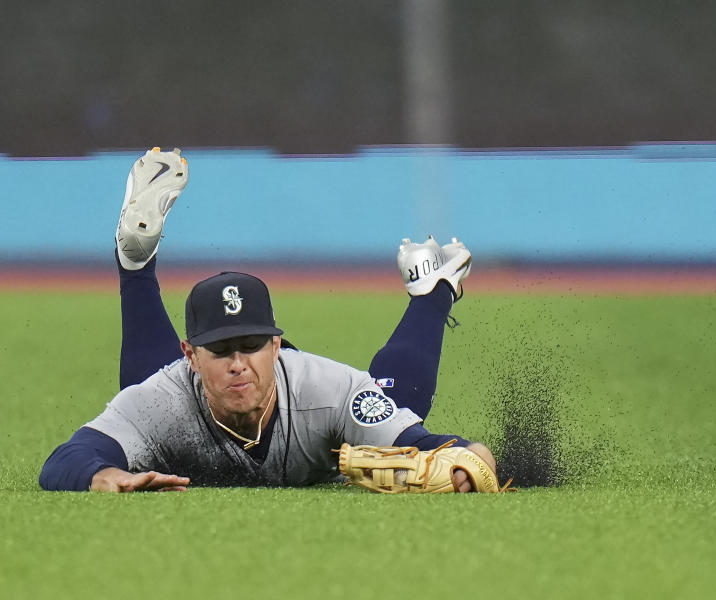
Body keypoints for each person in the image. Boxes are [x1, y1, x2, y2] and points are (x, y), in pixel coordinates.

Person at [39, 147, 495, 492]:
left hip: (325, 402)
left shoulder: (329, 392)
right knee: (145, 390)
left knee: (399, 400)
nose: (238, 362)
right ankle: (134, 269)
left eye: (252, 344)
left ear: (277, 346)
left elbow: (430, 441)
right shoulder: (161, 398)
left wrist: (470, 459)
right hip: (170, 393)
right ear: (191, 357)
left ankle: (432, 293)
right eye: (219, 349)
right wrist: (102, 475)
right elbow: (68, 458)